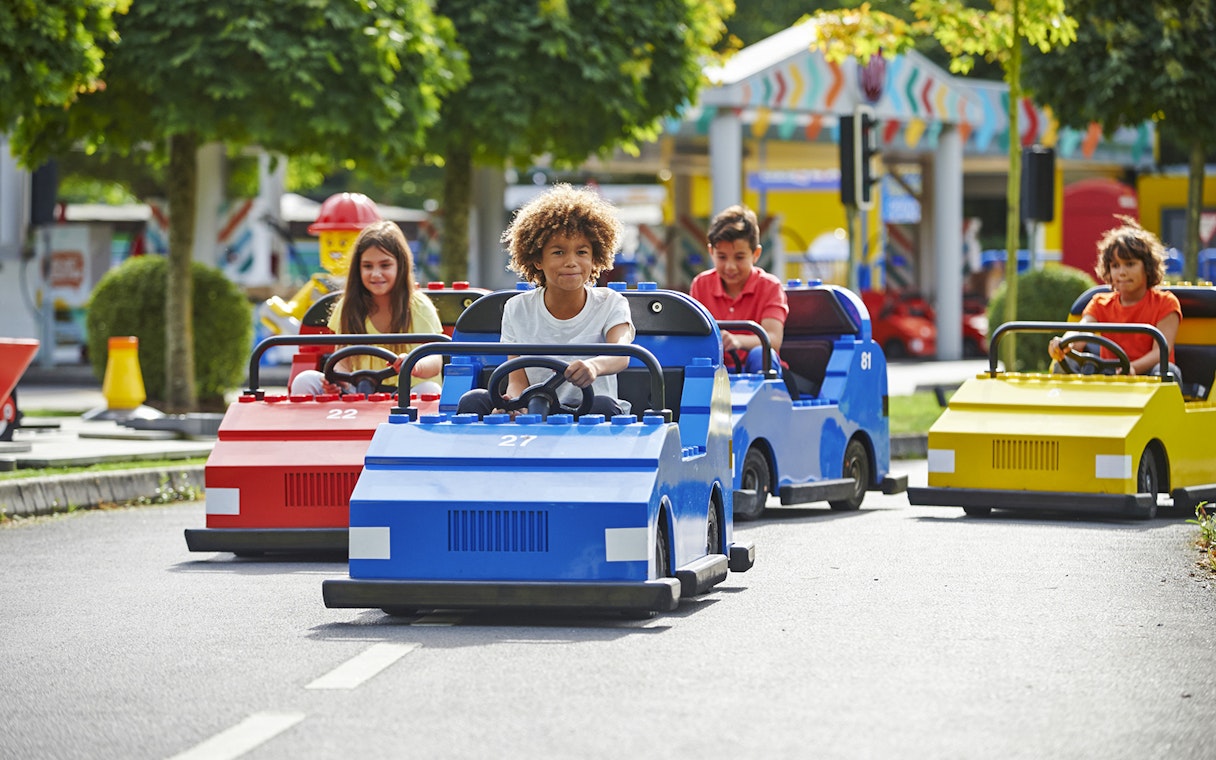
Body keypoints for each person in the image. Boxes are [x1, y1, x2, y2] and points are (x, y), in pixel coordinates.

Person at [457, 184, 634, 418]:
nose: (571, 262)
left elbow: (621, 354)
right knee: (473, 400)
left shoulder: (611, 303)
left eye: (581, 252)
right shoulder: (517, 308)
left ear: (595, 258)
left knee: (604, 406)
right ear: (537, 259)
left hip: (591, 413)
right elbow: (517, 379)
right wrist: (515, 403)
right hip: (536, 409)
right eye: (558, 252)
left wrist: (594, 366)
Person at [290, 220, 444, 396]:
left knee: (430, 390)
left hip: (406, 395)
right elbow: (342, 359)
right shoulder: (347, 306)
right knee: (304, 380)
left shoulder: (418, 306)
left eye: (385, 265)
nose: (376, 274)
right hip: (359, 392)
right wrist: (337, 381)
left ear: (400, 266)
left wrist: (414, 365)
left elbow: (434, 359)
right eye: (367, 266)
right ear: (358, 269)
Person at [1048, 217, 1182, 381]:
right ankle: (1066, 406)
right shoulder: (1100, 303)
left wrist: (1132, 368)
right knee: (1063, 363)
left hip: (1148, 376)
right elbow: (1080, 331)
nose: (1122, 272)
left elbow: (1161, 351)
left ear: (1147, 267)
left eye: (1130, 264)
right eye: (1115, 266)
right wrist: (1064, 343)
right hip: (1110, 375)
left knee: (1168, 371)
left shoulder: (1166, 303)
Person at [690, 205, 788, 374]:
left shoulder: (771, 287)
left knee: (761, 354)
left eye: (739, 257)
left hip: (760, 373)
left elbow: (773, 339)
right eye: (722, 257)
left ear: (756, 254)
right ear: (711, 252)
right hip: (716, 374)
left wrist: (737, 341)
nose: (730, 266)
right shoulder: (700, 284)